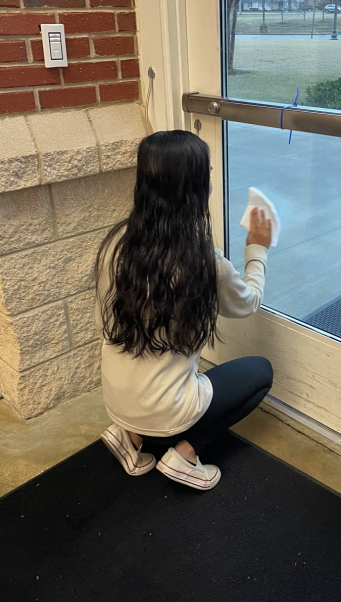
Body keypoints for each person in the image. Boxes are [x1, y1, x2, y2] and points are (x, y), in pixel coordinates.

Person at [95, 129, 273, 491]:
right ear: (195, 188)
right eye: (208, 174)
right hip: (167, 411)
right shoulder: (203, 261)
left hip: (115, 397)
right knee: (260, 372)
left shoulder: (115, 244)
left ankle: (130, 437)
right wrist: (257, 250)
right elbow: (247, 303)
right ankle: (185, 455)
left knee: (157, 375)